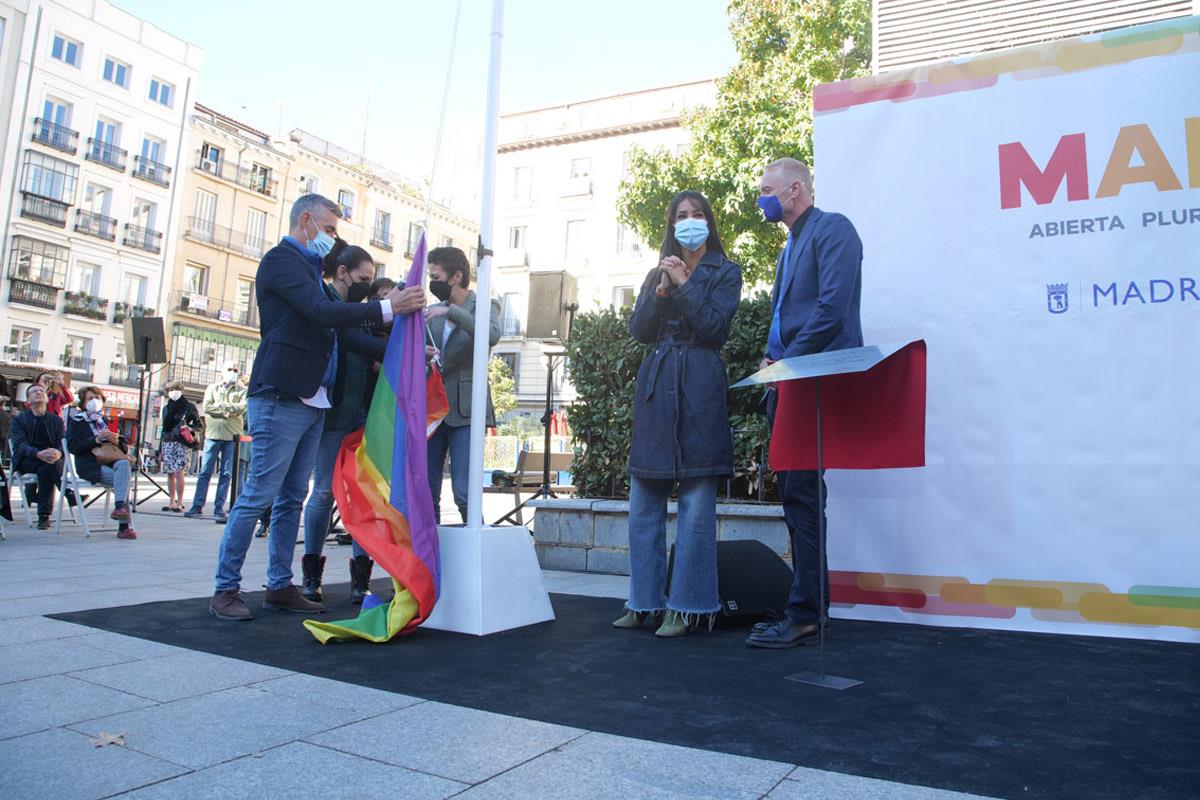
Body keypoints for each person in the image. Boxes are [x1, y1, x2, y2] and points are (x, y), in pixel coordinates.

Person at [209, 193, 425, 622]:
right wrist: (386, 307)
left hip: (312, 399)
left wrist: (400, 342)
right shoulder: (282, 261)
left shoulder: (309, 269)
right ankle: (225, 589)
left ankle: (279, 584)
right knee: (258, 496)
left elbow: (342, 335)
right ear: (305, 220)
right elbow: (321, 312)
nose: (333, 238)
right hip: (280, 394)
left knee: (292, 497)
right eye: (328, 229)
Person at [611, 190, 743, 638]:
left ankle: (687, 607)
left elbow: (715, 328)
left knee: (696, 505)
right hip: (658, 382)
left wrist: (686, 286)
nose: (689, 221)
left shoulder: (726, 272)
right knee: (643, 501)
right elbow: (639, 330)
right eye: (681, 216)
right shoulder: (657, 272)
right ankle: (644, 601)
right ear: (671, 224)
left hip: (700, 381)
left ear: (709, 220)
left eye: (697, 214)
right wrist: (663, 291)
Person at [745, 157, 863, 649]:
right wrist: (774, 361)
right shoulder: (788, 247)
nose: (761, 199)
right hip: (790, 381)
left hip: (811, 381)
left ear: (795, 190)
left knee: (804, 498)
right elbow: (786, 315)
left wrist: (787, 363)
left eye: (767, 189)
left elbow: (831, 309)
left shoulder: (833, 230)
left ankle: (806, 614)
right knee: (796, 498)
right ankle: (808, 608)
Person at [300, 240, 387, 604]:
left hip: (363, 415)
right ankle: (311, 575)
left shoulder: (362, 313)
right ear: (342, 273)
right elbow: (352, 341)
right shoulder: (328, 305)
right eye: (363, 278)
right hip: (334, 414)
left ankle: (360, 578)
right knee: (323, 492)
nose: (367, 284)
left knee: (365, 496)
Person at [424, 246, 501, 524]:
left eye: (436, 276)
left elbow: (490, 334)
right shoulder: (431, 310)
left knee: (465, 491)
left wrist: (451, 313)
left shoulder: (485, 305)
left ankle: (474, 549)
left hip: (466, 410)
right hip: (432, 411)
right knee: (426, 491)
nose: (432, 282)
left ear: (456, 277)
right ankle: (431, 557)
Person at [66, 386, 137, 539]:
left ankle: (119, 508)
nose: (94, 401)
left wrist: (116, 440)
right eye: (90, 398)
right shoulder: (76, 422)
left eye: (97, 398)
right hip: (91, 465)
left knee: (124, 465)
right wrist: (95, 440)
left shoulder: (104, 421)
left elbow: (121, 451)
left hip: (112, 462)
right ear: (84, 404)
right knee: (123, 481)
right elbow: (73, 447)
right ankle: (124, 527)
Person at [184, 362, 247, 521]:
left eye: (235, 370)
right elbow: (207, 407)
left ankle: (219, 507)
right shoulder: (212, 388)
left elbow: (242, 408)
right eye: (229, 369)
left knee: (226, 474)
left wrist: (221, 407)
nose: (232, 372)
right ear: (222, 372)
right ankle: (197, 505)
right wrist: (227, 412)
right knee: (205, 471)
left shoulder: (242, 391)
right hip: (212, 436)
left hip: (232, 437)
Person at [10, 385, 65, 529]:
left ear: (47, 398)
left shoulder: (56, 420)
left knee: (47, 468)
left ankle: (44, 516)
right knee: (49, 465)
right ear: (28, 400)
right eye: (34, 392)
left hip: (50, 459)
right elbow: (20, 445)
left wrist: (58, 452)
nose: (39, 393)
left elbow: (62, 443)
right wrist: (37, 454)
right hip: (27, 459)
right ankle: (68, 493)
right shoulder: (19, 419)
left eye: (41, 391)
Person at [159, 382, 200, 513]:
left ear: (181, 390)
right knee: (170, 472)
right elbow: (164, 428)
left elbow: (199, 425)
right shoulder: (166, 408)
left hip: (182, 442)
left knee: (179, 472)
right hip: (168, 440)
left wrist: (190, 427)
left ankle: (180, 502)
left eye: (176, 389)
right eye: (170, 389)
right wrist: (160, 449)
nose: (173, 392)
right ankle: (171, 501)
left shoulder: (189, 407)